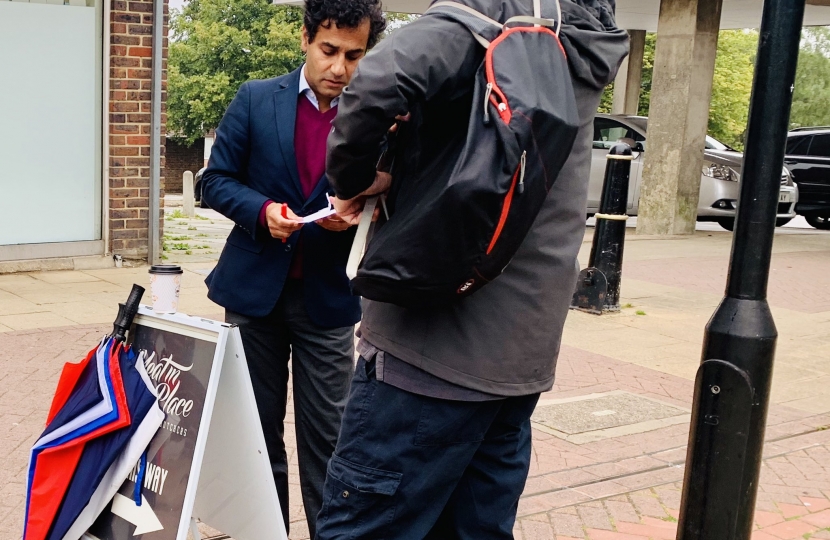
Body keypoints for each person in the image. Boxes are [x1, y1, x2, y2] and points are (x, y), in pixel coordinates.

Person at [316, 0, 628, 537]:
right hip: (522, 350)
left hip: (430, 352)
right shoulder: (584, 34)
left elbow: (376, 86)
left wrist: (352, 180)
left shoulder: (485, 15)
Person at [200, 0, 386, 535]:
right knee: (256, 437)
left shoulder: (376, 113)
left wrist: (359, 206)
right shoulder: (257, 98)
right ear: (306, 36)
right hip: (254, 294)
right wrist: (261, 212)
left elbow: (393, 182)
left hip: (328, 298)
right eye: (329, 50)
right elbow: (215, 180)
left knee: (330, 440)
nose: (339, 68)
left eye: (354, 56)